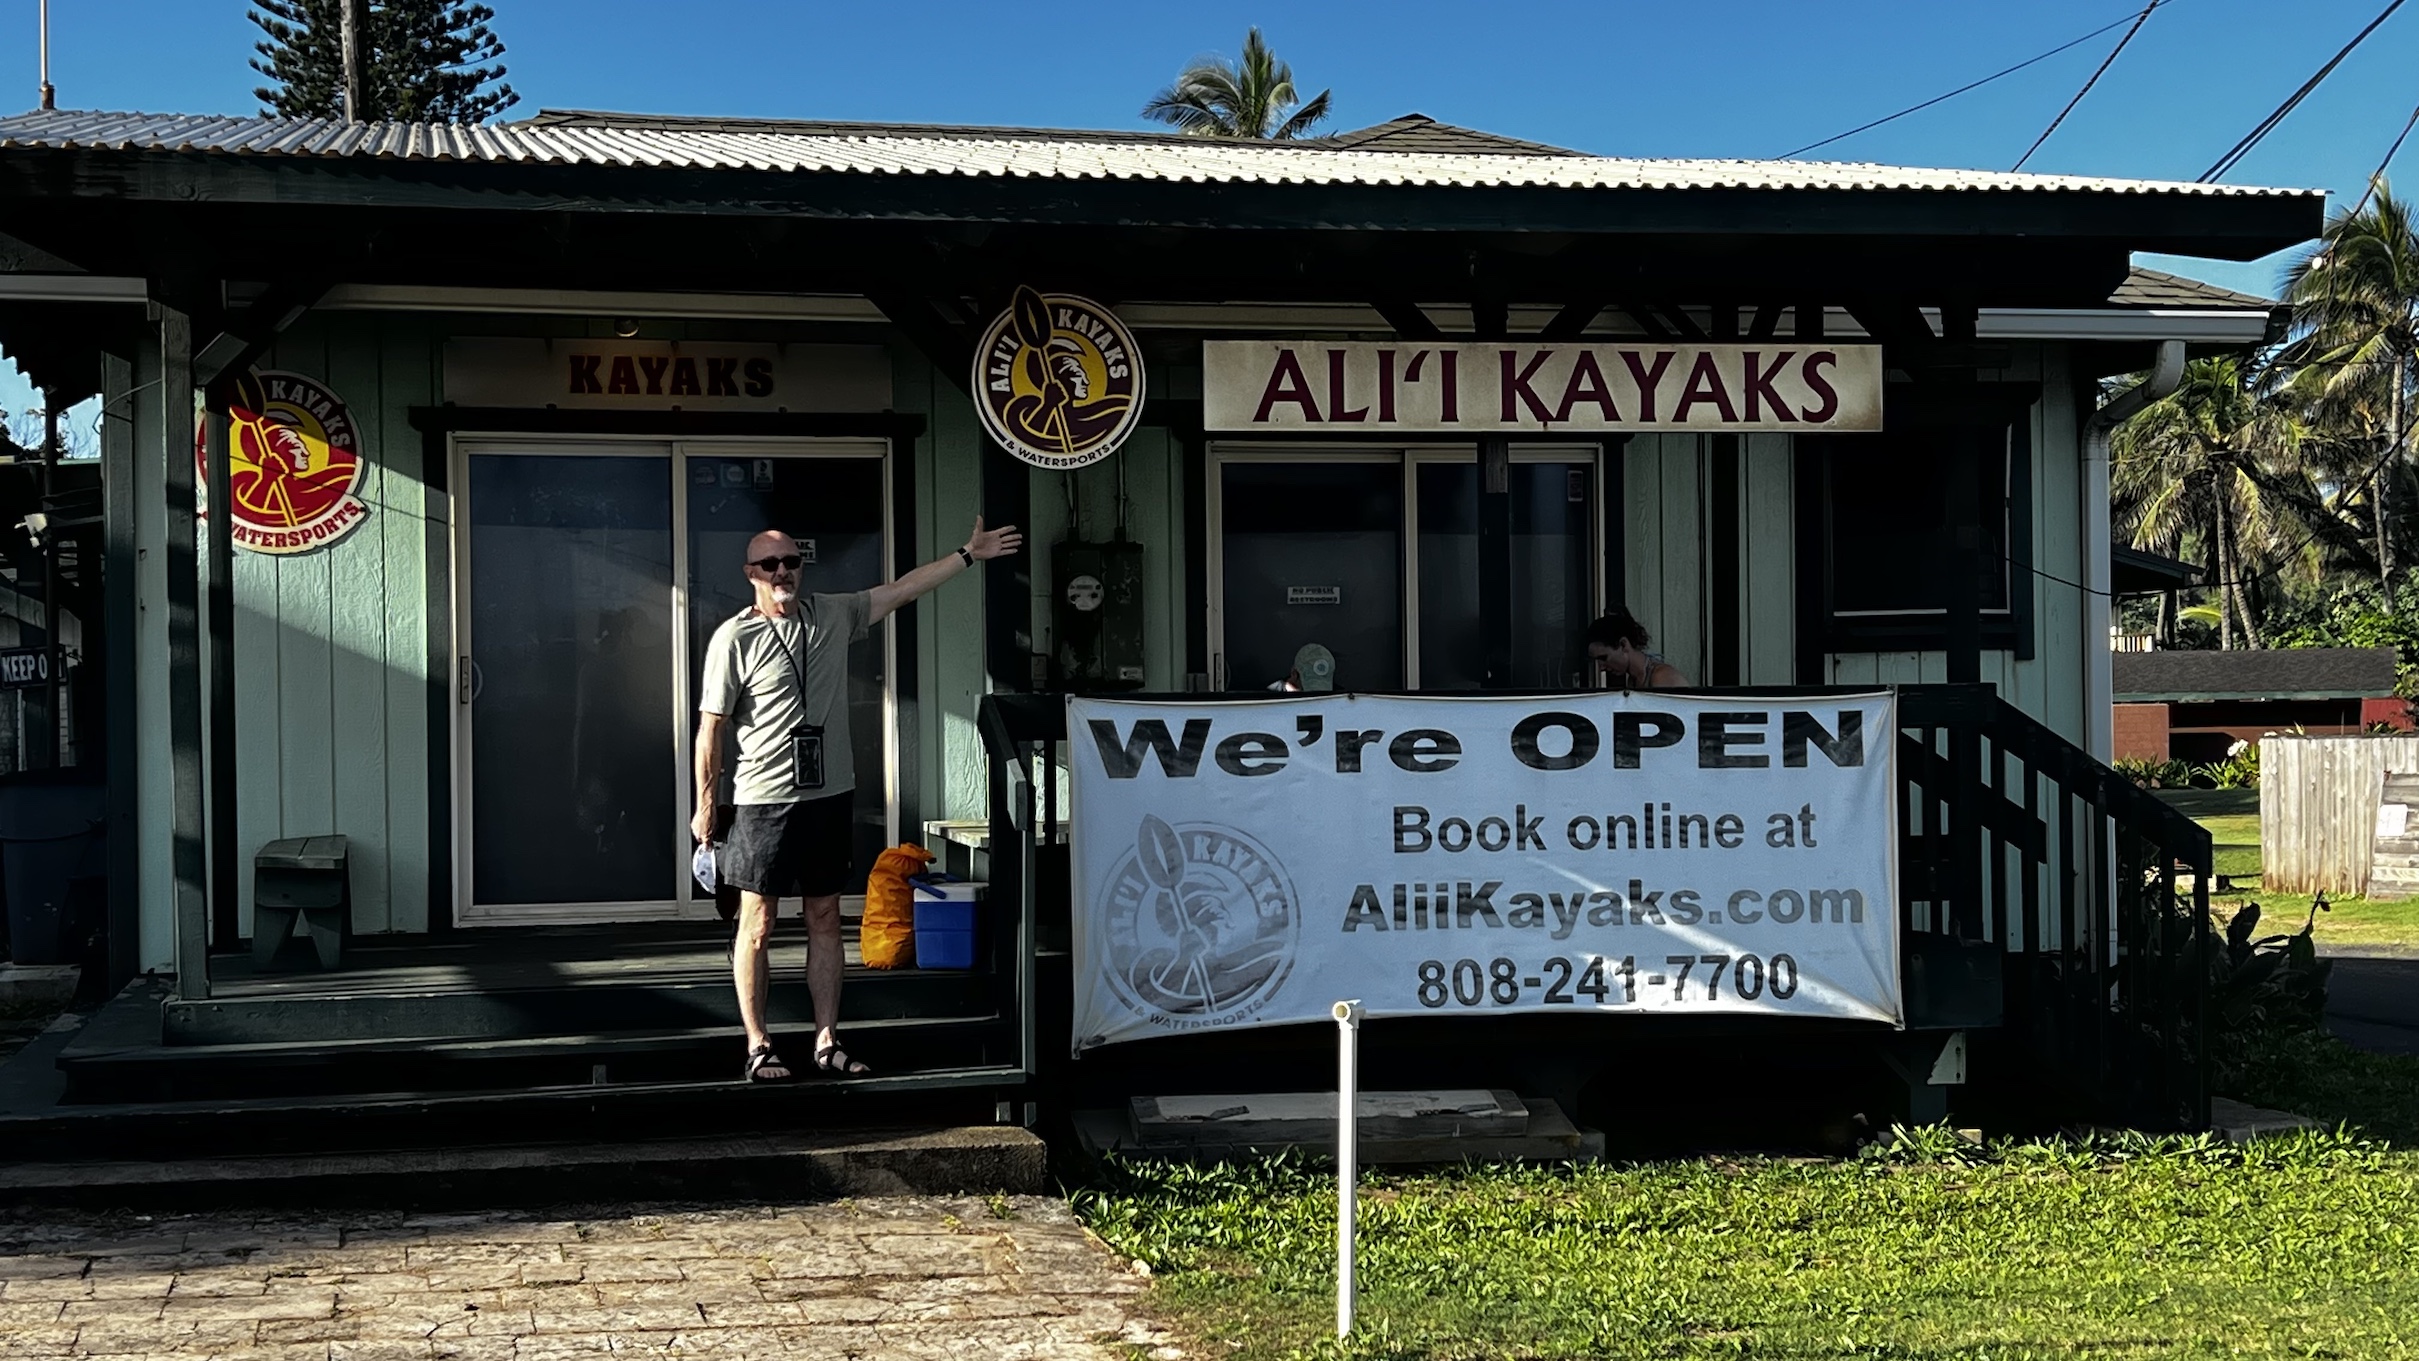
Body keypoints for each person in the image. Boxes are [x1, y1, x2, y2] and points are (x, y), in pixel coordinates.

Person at [693, 517, 1023, 1083]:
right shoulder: (734, 638)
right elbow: (711, 729)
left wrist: (968, 555)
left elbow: (902, 590)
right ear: (751, 573)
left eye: (791, 561)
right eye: (770, 564)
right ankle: (758, 1044)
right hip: (762, 800)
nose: (782, 572)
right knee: (758, 923)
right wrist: (704, 803)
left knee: (825, 916)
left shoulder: (833, 614)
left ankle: (826, 1041)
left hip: (828, 795)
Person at [1585, 607, 1688, 689]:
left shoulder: (1661, 677)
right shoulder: (1633, 680)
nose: (1601, 668)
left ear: (1623, 645)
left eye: (1603, 658)